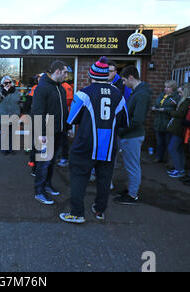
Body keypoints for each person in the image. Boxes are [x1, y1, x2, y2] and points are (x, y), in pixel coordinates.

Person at [59, 56, 129, 224]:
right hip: (109, 144)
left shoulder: (84, 93)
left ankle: (77, 213)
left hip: (86, 143)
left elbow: (72, 119)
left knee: (79, 177)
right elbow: (125, 121)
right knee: (104, 179)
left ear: (91, 75)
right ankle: (99, 210)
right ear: (106, 75)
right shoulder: (118, 94)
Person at [31, 60, 69, 205]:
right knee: (44, 163)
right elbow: (37, 112)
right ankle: (39, 191)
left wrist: (66, 127)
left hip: (59, 132)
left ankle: (47, 185)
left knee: (52, 162)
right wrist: (41, 133)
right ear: (58, 71)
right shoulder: (42, 88)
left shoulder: (61, 88)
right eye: (65, 72)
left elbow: (63, 110)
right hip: (46, 133)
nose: (67, 75)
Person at [114, 65, 153, 205]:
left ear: (131, 78)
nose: (123, 84)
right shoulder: (138, 92)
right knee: (131, 165)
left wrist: (121, 130)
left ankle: (132, 195)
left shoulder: (141, 94)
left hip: (132, 136)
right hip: (131, 135)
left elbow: (137, 120)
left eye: (124, 80)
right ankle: (131, 190)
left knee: (132, 166)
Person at [166, 83, 190, 178]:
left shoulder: (187, 101)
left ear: (185, 92)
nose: (179, 95)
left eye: (180, 92)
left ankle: (179, 169)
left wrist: (171, 112)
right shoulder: (187, 101)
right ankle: (180, 169)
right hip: (180, 128)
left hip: (180, 129)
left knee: (172, 148)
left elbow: (180, 114)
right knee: (179, 149)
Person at [152, 80, 180, 163]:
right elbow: (156, 103)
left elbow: (177, 109)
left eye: (168, 87)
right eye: (165, 87)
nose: (166, 89)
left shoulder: (176, 97)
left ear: (173, 88)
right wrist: (154, 107)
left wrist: (165, 110)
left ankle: (168, 161)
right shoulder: (161, 95)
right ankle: (158, 157)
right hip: (159, 122)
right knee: (159, 142)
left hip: (168, 123)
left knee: (168, 143)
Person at [0, 75, 21, 155]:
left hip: (13, 114)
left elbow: (17, 100)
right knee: (4, 132)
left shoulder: (15, 91)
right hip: (3, 114)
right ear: (2, 84)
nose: (8, 84)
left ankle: (11, 149)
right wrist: (4, 92)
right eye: (6, 83)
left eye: (9, 82)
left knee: (12, 132)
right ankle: (4, 149)